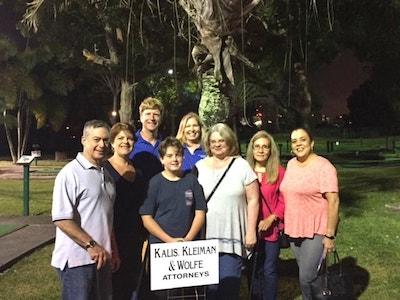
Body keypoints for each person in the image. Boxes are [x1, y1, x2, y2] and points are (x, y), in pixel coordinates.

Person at [51, 120, 118, 300]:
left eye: (106, 140)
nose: (102, 145)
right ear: (84, 140)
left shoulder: (107, 175)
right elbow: (62, 219)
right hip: (77, 260)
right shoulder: (70, 174)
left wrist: (113, 249)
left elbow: (106, 217)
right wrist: (91, 245)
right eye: (96, 139)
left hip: (102, 258)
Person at [195, 123, 259, 300]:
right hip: (205, 238)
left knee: (228, 288)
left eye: (221, 140)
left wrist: (251, 231)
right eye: (213, 141)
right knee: (209, 291)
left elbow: (253, 200)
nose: (217, 144)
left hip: (232, 237)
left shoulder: (241, 166)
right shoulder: (199, 167)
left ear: (229, 142)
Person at [139, 137, 207, 299]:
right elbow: (146, 217)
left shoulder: (192, 181)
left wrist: (188, 239)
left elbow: (200, 212)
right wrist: (169, 240)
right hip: (162, 250)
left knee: (187, 294)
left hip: (188, 249)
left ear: (183, 157)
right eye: (169, 156)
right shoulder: (154, 183)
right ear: (162, 159)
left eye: (177, 155)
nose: (174, 159)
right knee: (163, 295)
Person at [280, 128, 340, 300]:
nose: (298, 143)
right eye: (294, 141)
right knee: (314, 277)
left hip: (317, 229)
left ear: (311, 143)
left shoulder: (324, 167)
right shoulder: (291, 164)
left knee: (306, 277)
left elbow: (334, 201)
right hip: (294, 229)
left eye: (302, 139)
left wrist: (329, 234)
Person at [103, 122, 147, 300]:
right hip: (112, 237)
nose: (125, 142)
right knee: (114, 288)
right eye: (120, 138)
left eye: (129, 138)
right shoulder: (103, 170)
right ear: (112, 143)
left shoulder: (139, 172)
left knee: (133, 286)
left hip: (136, 238)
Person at [246, 130, 285, 300]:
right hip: (250, 229)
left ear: (271, 150)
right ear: (251, 149)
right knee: (253, 268)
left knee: (269, 269)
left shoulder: (279, 172)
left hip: (271, 230)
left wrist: (272, 217)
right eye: (257, 146)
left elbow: (285, 200)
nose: (261, 150)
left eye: (265, 147)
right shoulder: (244, 170)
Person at [129, 97, 164, 181]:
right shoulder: (131, 142)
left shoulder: (165, 144)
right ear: (141, 118)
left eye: (156, 114)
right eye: (148, 114)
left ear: (161, 119)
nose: (152, 118)